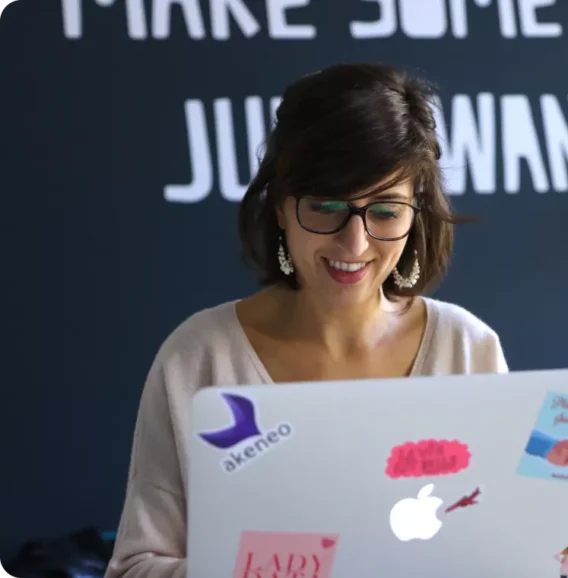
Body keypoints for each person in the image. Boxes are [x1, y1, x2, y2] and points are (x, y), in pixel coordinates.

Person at [105, 62, 508, 577]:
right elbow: (135, 568)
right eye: (326, 207)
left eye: (385, 211)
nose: (355, 243)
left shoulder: (467, 349)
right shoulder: (200, 358)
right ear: (280, 206)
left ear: (416, 214)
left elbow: (502, 546)